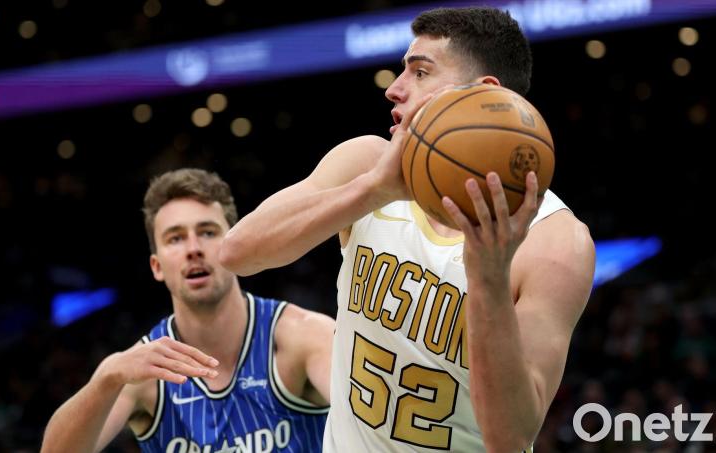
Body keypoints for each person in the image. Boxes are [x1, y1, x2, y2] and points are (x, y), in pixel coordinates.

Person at [220, 6, 595, 452]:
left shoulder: (555, 241)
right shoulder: (365, 165)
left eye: (420, 73)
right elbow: (237, 253)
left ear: (481, 93)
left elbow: (510, 439)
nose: (394, 90)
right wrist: (373, 190)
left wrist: (489, 278)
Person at [41, 168, 333, 453]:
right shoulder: (139, 373)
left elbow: (374, 419)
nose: (193, 248)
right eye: (175, 238)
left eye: (207, 232)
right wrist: (107, 378)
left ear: (236, 246)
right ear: (156, 267)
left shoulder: (304, 336)